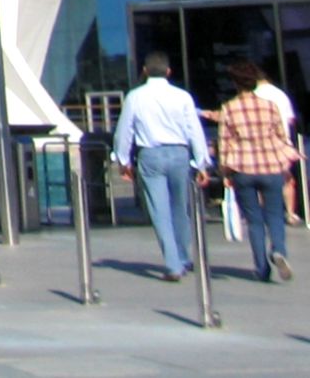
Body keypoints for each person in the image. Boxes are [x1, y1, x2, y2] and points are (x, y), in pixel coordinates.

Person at [112, 52, 212, 281]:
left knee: (160, 211)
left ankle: (172, 263)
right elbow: (194, 130)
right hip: (179, 153)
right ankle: (184, 256)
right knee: (180, 207)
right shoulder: (182, 96)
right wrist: (202, 162)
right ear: (169, 72)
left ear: (145, 71)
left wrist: (123, 160)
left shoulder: (135, 97)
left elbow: (124, 131)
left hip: (150, 154)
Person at [216, 60, 297, 282]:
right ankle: (278, 250)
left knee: (254, 220)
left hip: (243, 169)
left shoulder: (229, 109)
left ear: (235, 83)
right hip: (270, 166)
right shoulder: (269, 106)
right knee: (274, 215)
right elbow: (281, 136)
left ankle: (262, 268)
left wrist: (225, 172)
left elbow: (225, 144)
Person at [249, 64, 301, 226]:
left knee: (261, 180)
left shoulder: (252, 95)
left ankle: (264, 213)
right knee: (287, 179)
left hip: (258, 143)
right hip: (281, 142)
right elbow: (291, 119)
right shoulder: (281, 95)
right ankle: (291, 213)